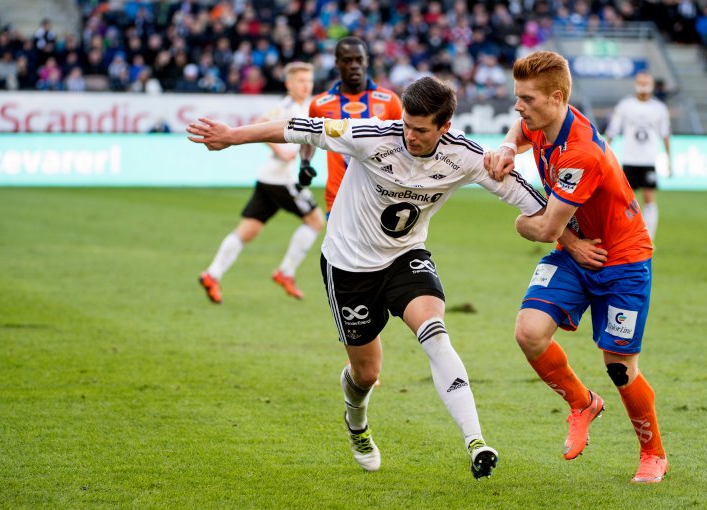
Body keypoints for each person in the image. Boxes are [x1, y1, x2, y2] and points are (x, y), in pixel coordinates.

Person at [188, 76, 564, 479]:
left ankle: (476, 442)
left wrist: (573, 243)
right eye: (406, 124)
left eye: (421, 130)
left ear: (445, 128)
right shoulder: (371, 136)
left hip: (405, 258)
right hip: (348, 267)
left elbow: (541, 207)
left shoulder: (466, 156)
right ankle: (357, 423)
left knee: (435, 333)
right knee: (367, 373)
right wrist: (232, 136)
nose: (410, 135)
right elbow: (298, 128)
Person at [486, 51, 667, 484]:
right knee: (528, 332)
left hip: (620, 260)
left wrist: (518, 223)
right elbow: (523, 128)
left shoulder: (580, 152)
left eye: (526, 98)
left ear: (557, 96)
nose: (518, 107)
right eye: (517, 97)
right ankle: (582, 402)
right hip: (579, 249)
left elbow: (547, 228)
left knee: (620, 368)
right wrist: (510, 144)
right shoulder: (548, 118)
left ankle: (653, 454)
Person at [198, 62, 324, 304]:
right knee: (316, 221)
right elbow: (259, 123)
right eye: (300, 81)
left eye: (309, 81)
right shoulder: (286, 107)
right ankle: (286, 272)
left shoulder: (307, 106)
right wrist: (281, 151)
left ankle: (212, 274)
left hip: (269, 178)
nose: (306, 85)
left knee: (248, 230)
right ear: (288, 84)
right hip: (283, 179)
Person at [298, 36, 402, 214]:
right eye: (347, 60)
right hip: (338, 196)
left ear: (366, 62)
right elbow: (309, 138)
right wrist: (305, 163)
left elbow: (403, 142)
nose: (354, 65)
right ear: (337, 63)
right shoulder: (320, 104)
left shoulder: (389, 101)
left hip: (380, 196)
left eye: (359, 60)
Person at [605, 71, 671, 241]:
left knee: (649, 198)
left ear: (652, 85)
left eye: (646, 82)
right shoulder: (625, 105)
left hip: (648, 160)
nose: (643, 85)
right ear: (636, 83)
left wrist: (668, 159)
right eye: (640, 82)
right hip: (629, 159)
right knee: (624, 200)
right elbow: (613, 129)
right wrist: (604, 153)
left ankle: (648, 239)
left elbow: (665, 134)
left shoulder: (659, 108)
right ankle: (625, 236)